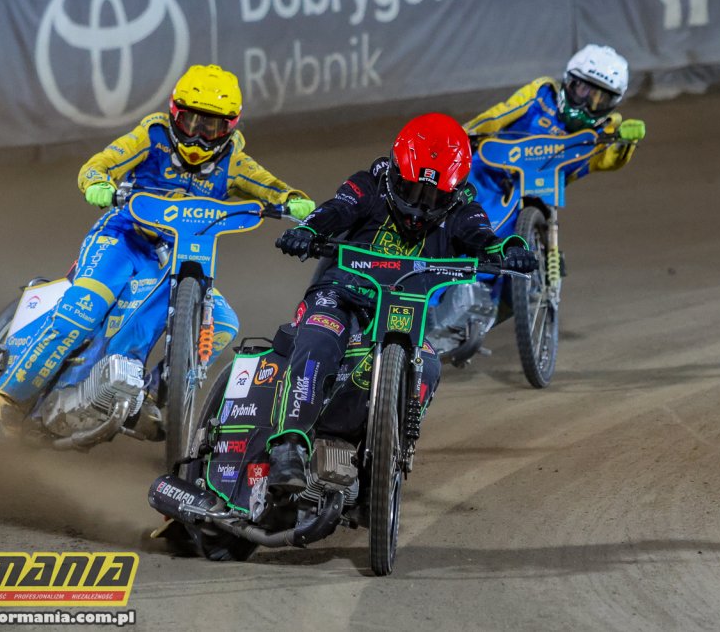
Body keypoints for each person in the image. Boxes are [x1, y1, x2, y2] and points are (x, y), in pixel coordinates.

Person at [0, 64, 315, 432]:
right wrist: (98, 183)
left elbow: (273, 188)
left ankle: (150, 394)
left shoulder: (234, 162)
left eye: (210, 127)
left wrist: (294, 200)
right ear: (175, 113)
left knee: (224, 324)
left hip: (176, 256)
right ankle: (10, 399)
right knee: (85, 308)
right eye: (191, 122)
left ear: (229, 127)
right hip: (122, 238)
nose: (199, 136)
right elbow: (100, 164)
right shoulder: (150, 136)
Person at [266, 112, 537, 490]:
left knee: (430, 365)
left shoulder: (464, 210)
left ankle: (388, 456)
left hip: (402, 311)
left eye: (434, 196)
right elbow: (336, 210)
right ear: (395, 171)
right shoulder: (368, 185)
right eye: (412, 190)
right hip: (341, 294)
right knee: (320, 338)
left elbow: (484, 237)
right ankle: (289, 446)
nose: (421, 206)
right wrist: (308, 230)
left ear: (454, 191)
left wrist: (511, 248)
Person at [464, 43, 646, 193]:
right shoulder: (542, 93)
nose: (586, 104)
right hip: (483, 171)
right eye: (583, 90)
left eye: (599, 99)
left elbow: (608, 160)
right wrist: (466, 133)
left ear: (612, 103)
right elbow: (497, 116)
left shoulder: (604, 130)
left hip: (535, 193)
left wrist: (624, 142)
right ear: (568, 82)